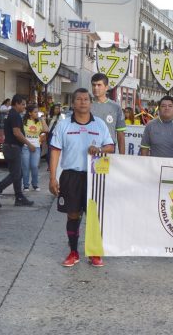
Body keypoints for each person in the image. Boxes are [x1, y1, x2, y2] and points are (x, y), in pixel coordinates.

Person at [48, 88, 114, 268]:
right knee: (73, 214)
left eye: (86, 99)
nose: (83, 102)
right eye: (79, 99)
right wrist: (52, 177)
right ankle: (73, 252)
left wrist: (99, 150)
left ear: (90, 103)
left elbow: (110, 146)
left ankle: (95, 253)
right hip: (71, 175)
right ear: (73, 103)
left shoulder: (99, 124)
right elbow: (54, 151)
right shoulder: (64, 125)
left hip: (95, 176)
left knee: (95, 216)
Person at [0, 95, 35, 208]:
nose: (24, 106)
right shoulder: (14, 115)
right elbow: (17, 133)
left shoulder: (10, 114)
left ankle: (19, 197)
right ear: (16, 104)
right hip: (13, 148)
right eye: (23, 104)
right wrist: (29, 144)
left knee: (18, 173)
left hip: (10, 147)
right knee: (15, 174)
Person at [90, 73, 126, 154]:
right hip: (88, 151)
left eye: (99, 85)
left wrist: (122, 157)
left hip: (108, 153)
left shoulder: (116, 107)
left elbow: (121, 136)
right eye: (93, 85)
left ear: (106, 87)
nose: (96, 88)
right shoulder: (86, 106)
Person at [21, 104, 48, 192]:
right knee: (25, 166)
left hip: (36, 147)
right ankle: (26, 185)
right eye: (35, 112)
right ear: (30, 113)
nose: (37, 114)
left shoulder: (39, 122)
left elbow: (46, 130)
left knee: (34, 166)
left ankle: (35, 184)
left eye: (37, 112)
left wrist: (43, 119)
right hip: (25, 146)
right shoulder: (24, 121)